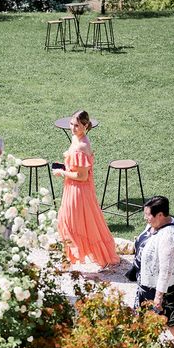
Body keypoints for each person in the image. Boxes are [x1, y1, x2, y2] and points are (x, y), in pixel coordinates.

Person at [53, 110, 119, 270]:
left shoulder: (82, 146)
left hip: (78, 190)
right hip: (74, 188)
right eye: (71, 124)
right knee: (81, 222)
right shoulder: (77, 139)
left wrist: (62, 172)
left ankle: (70, 260)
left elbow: (82, 176)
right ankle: (74, 258)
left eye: (77, 125)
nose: (72, 128)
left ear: (85, 126)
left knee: (73, 223)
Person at [131, 196, 174, 348]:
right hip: (145, 284)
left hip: (162, 288)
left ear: (160, 215)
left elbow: (166, 270)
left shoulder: (170, 235)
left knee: (170, 321)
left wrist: (159, 296)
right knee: (139, 317)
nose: (145, 218)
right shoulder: (154, 225)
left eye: (148, 215)